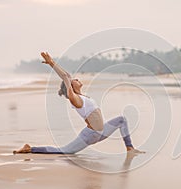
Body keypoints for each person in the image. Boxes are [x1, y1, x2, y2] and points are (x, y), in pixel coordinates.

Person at [14, 52, 144, 154]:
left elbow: (68, 77)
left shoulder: (83, 97)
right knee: (64, 151)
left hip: (101, 132)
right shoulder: (74, 98)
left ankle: (129, 148)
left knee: (122, 120)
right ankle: (30, 148)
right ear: (70, 86)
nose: (76, 79)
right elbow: (66, 76)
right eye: (74, 80)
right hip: (90, 135)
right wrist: (52, 63)